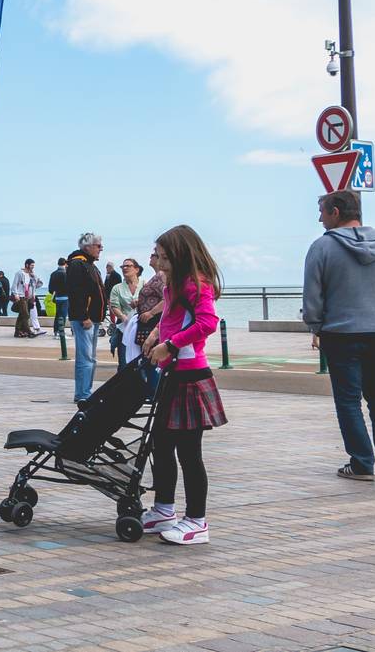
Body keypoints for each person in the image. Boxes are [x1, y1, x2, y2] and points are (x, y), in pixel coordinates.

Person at [303, 190, 375, 481]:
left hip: (341, 333)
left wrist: (316, 326)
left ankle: (362, 462)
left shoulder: (322, 247)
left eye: (322, 212)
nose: (319, 218)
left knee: (348, 400)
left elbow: (312, 294)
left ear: (336, 212)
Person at [140, 225, 228, 545]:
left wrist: (172, 345)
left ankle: (197, 521)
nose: (159, 264)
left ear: (180, 256)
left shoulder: (196, 284)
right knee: (160, 445)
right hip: (173, 376)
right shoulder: (173, 285)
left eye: (164, 258)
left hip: (191, 376)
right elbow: (174, 320)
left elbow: (207, 323)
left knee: (189, 453)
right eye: (158, 257)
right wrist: (155, 335)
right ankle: (164, 508)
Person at [66, 233, 106, 405]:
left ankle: (84, 391)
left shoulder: (89, 265)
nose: (101, 248)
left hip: (94, 318)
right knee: (86, 357)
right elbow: (76, 293)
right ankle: (83, 394)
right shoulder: (78, 264)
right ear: (87, 247)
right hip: (86, 319)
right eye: (98, 245)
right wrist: (84, 316)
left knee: (90, 357)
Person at [109, 257, 144, 366]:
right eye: (123, 266)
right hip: (124, 328)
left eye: (128, 266)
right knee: (124, 363)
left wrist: (140, 302)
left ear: (136, 269)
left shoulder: (145, 284)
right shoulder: (117, 288)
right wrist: (123, 317)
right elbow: (114, 306)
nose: (124, 268)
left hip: (141, 327)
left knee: (142, 361)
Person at [11, 259, 43, 338]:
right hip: (21, 296)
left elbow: (38, 285)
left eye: (33, 266)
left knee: (22, 315)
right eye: (32, 265)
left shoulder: (31, 275)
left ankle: (18, 331)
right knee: (25, 315)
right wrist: (16, 294)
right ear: (27, 265)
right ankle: (28, 331)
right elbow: (14, 285)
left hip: (29, 297)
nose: (33, 267)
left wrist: (34, 276)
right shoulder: (20, 273)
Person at [48, 258, 69, 328]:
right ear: (65, 264)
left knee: (58, 315)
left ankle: (56, 331)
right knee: (63, 315)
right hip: (65, 297)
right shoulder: (66, 274)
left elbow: (50, 289)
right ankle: (61, 333)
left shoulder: (53, 274)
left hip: (57, 297)